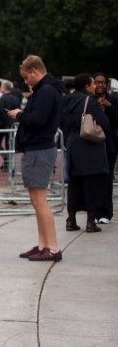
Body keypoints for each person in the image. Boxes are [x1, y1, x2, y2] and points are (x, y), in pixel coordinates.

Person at [7, 55, 63, 262]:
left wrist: (20, 115)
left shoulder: (46, 91)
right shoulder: (47, 90)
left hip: (39, 148)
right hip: (38, 148)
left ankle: (53, 247)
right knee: (37, 199)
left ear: (34, 71)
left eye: (26, 77)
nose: (26, 82)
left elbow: (38, 120)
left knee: (40, 200)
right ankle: (43, 244)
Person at [60, 73, 111, 233]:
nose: (95, 86)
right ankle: (90, 221)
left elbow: (62, 121)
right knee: (92, 183)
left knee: (74, 183)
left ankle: (71, 219)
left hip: (73, 144)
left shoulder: (67, 99)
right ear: (87, 86)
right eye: (93, 83)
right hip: (90, 147)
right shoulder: (91, 101)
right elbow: (105, 123)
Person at [92, 72, 118, 223]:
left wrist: (109, 107)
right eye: (97, 82)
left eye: (103, 82)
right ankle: (94, 212)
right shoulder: (90, 100)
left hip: (109, 145)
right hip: (93, 144)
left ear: (106, 85)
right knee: (95, 180)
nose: (100, 85)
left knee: (107, 179)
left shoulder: (113, 99)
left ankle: (106, 213)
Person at [0, 81, 19, 171]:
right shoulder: (15, 98)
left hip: (4, 124)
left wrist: (5, 123)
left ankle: (6, 160)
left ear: (5, 88)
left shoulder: (2, 99)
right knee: (9, 144)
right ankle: (8, 162)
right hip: (13, 124)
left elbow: (1, 112)